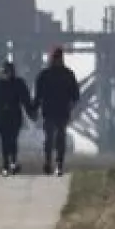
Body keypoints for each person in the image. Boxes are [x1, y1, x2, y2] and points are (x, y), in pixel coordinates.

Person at [33, 45, 81, 176]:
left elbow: (75, 95)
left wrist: (34, 108)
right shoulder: (65, 74)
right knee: (52, 139)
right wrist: (34, 108)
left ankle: (57, 164)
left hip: (57, 112)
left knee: (57, 139)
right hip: (54, 112)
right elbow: (75, 96)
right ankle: (50, 163)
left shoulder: (48, 75)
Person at [0, 59, 35, 175]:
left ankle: (12, 162)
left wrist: (31, 112)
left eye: (7, 71)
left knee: (12, 140)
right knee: (4, 141)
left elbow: (25, 99)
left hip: (14, 117)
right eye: (4, 72)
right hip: (3, 117)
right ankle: (6, 165)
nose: (6, 74)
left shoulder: (18, 83)